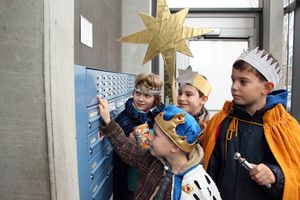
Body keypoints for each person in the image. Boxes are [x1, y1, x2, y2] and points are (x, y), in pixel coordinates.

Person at [202, 47, 300, 200]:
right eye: (233, 80)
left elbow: (295, 175)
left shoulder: (285, 127)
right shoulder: (221, 121)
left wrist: (275, 175)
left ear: (266, 88)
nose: (234, 87)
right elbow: (210, 169)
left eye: (243, 82)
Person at [98, 99, 221, 200]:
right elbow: (126, 149)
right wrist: (108, 122)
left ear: (174, 147)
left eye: (155, 135)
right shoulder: (151, 159)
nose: (149, 138)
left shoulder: (197, 185)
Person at [113, 73, 165, 200]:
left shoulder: (163, 117)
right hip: (130, 180)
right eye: (137, 93)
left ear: (157, 98)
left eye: (147, 95)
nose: (140, 99)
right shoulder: (124, 117)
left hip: (154, 179)